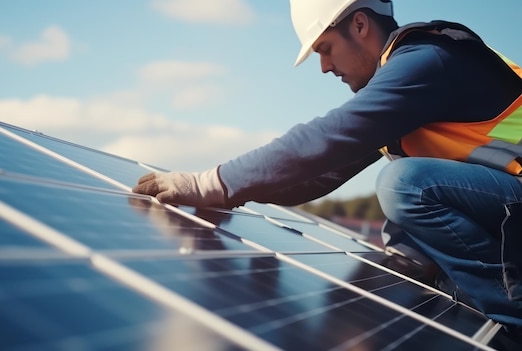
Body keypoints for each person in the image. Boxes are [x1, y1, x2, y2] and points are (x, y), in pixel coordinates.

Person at [133, 0, 522, 332]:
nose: (323, 66)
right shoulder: (405, 89)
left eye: (325, 47)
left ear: (359, 23)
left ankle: (512, 322)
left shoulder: (427, 60)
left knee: (405, 185)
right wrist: (242, 190)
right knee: (403, 247)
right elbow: (324, 171)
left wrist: (212, 182)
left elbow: (329, 137)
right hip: (507, 205)